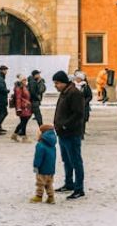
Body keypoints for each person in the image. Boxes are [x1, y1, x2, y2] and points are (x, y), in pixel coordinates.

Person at [52, 71, 86, 200]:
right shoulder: (65, 93)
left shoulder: (74, 93)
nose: (55, 85)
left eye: (57, 83)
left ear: (63, 82)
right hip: (63, 133)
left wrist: (65, 125)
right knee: (67, 160)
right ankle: (69, 183)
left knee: (75, 161)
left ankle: (79, 188)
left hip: (71, 133)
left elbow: (78, 114)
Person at [31, 123, 57, 204]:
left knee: (40, 183)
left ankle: (39, 196)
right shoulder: (53, 145)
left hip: (42, 169)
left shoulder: (40, 145)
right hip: (51, 169)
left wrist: (36, 166)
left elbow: (38, 157)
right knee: (49, 184)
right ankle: (51, 197)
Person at [11, 75, 34, 142]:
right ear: (21, 81)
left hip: (26, 106)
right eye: (24, 80)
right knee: (24, 121)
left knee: (23, 122)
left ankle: (15, 135)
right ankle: (23, 137)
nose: (25, 81)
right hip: (23, 107)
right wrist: (18, 108)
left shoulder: (24, 87)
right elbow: (18, 98)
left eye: (25, 80)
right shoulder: (19, 88)